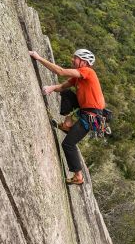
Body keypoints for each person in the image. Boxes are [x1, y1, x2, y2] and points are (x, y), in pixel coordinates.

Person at [29, 49, 106, 185]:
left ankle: (78, 176)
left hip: (91, 116)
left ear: (84, 61)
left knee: (68, 144)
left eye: (75, 58)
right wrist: (52, 87)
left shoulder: (88, 71)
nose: (73, 60)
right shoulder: (78, 77)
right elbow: (63, 86)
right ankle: (67, 125)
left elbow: (61, 71)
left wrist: (39, 58)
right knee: (67, 93)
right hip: (85, 110)